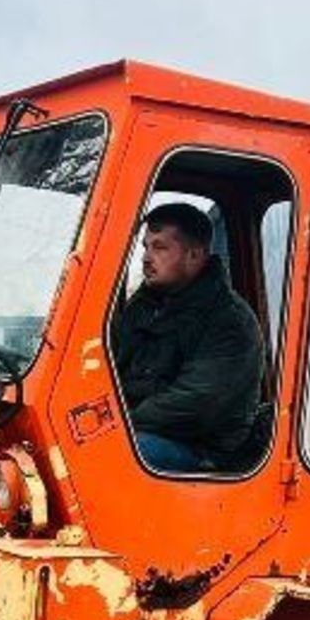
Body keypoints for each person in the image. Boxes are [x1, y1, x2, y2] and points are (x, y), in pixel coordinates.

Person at [110, 201, 265, 474]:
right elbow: (109, 363)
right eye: (146, 247)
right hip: (140, 427)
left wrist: (116, 424)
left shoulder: (229, 321)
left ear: (194, 255)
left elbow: (197, 404)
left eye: (159, 247)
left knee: (112, 455)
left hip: (199, 447)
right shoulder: (144, 305)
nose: (146, 257)